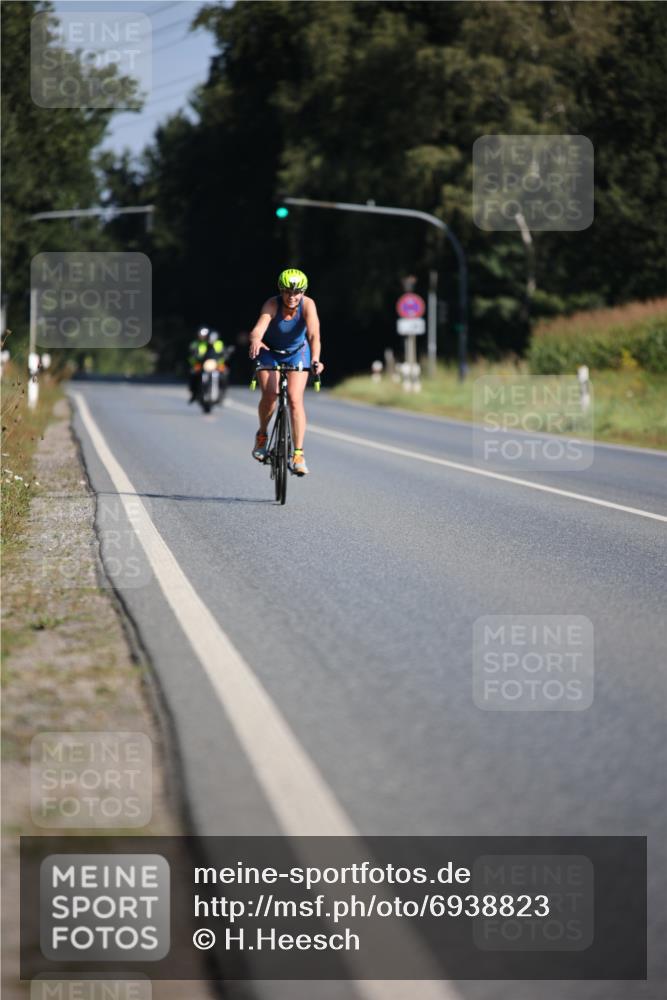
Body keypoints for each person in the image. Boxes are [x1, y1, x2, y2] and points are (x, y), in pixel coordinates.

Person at [249, 268, 323, 475]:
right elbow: (259, 328)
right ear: (281, 291)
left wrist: (316, 359)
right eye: (288, 292)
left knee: (294, 399)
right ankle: (262, 436)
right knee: (270, 394)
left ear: (303, 292)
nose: (292, 296)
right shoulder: (272, 304)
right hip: (270, 352)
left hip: (297, 353)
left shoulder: (308, 305)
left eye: (297, 292)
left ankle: (298, 454)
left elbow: (314, 335)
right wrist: (255, 340)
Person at [188, 327, 210, 402]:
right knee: (193, 373)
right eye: (201, 335)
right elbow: (191, 353)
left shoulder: (210, 343)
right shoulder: (195, 343)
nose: (202, 337)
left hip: (209, 364)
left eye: (204, 335)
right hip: (199, 364)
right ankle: (193, 392)